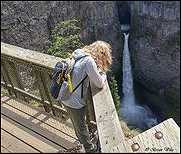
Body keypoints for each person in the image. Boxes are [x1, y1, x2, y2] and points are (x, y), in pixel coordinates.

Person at [61, 40, 112, 152]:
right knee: (81, 126)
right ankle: (90, 149)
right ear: (101, 54)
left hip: (64, 94)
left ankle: (83, 142)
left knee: (77, 124)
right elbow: (99, 83)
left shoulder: (78, 53)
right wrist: (103, 75)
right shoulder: (89, 61)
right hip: (74, 101)